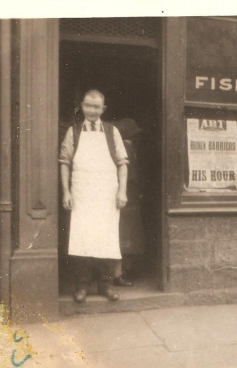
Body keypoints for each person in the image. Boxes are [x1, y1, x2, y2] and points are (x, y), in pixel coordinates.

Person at [59, 90, 129, 303]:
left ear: (103, 109)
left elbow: (122, 163)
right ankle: (83, 285)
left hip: (106, 194)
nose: (92, 110)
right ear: (82, 105)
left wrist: (122, 191)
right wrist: (66, 191)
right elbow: (64, 162)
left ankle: (105, 285)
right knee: (82, 238)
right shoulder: (74, 131)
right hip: (82, 194)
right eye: (88, 105)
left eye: (96, 107)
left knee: (106, 238)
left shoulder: (111, 131)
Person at [112, 118, 146, 287]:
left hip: (128, 198)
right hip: (126, 198)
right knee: (123, 235)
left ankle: (122, 271)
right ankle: (118, 273)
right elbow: (132, 175)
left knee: (125, 236)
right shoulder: (127, 148)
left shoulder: (129, 147)